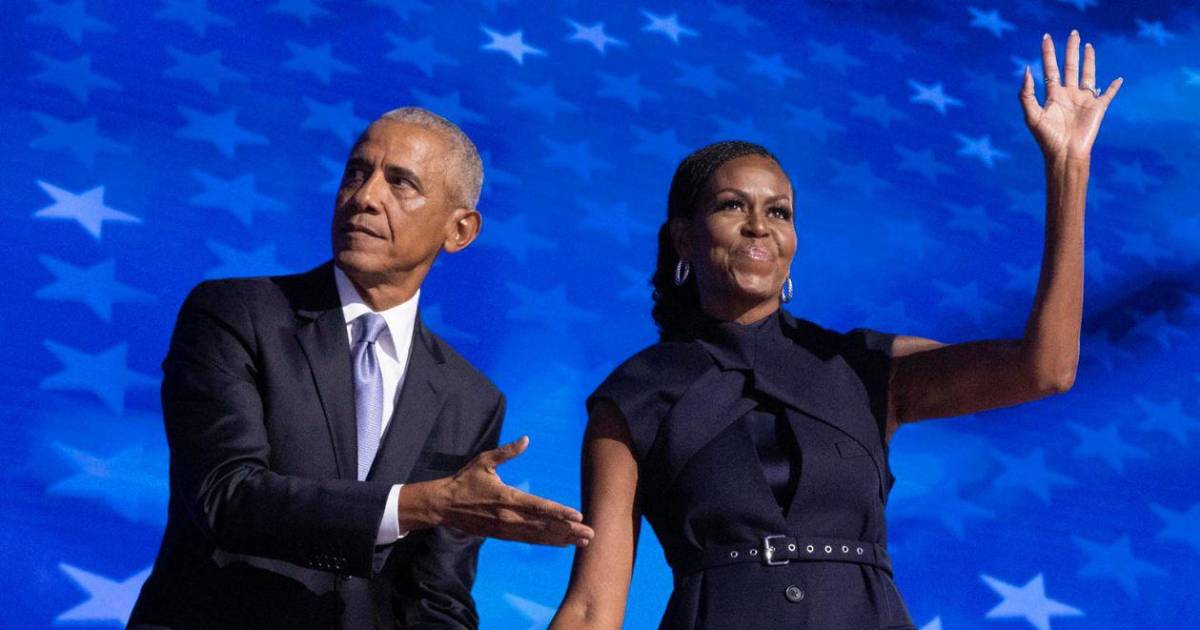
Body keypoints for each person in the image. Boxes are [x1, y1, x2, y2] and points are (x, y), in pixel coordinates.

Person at [551, 32, 1121, 629]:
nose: (758, 227)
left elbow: (1045, 369)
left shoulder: (863, 368)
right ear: (684, 238)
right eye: (731, 206)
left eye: (779, 212)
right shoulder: (636, 394)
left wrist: (1068, 167)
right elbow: (592, 607)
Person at [129, 107, 594, 629]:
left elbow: (436, 597)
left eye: (401, 182)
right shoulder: (236, 314)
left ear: (459, 230)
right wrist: (421, 504)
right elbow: (226, 496)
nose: (366, 197)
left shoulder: (470, 399)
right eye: (356, 172)